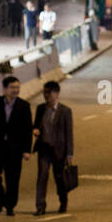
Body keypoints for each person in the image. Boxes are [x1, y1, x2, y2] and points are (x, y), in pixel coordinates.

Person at [0, 74, 33, 216]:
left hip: (14, 149)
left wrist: (26, 150)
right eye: (12, 87)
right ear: (5, 89)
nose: (15, 90)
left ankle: (9, 206)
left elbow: (27, 130)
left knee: (12, 179)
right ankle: (1, 199)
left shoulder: (24, 106)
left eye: (17, 87)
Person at [32, 81, 74, 215]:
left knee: (59, 177)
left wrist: (69, 154)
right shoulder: (40, 109)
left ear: (57, 94)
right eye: (44, 93)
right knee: (42, 176)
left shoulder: (65, 111)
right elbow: (36, 126)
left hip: (59, 151)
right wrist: (35, 130)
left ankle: (63, 201)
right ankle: (40, 206)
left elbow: (69, 133)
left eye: (49, 93)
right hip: (44, 148)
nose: (46, 96)